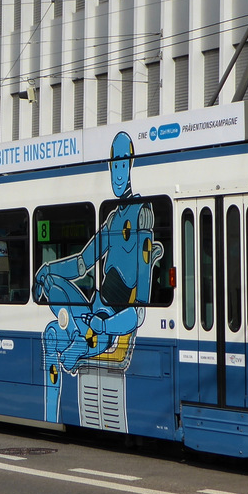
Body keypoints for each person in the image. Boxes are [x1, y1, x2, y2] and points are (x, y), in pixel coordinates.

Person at [33, 132, 163, 423]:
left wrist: (105, 323)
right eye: (112, 165)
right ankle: (50, 419)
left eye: (121, 164)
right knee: (51, 332)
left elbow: (139, 312)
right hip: (90, 313)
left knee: (74, 340)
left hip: (107, 326)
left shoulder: (142, 216)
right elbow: (81, 264)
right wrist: (47, 271)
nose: (116, 173)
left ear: (130, 165)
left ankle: (78, 347)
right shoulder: (112, 219)